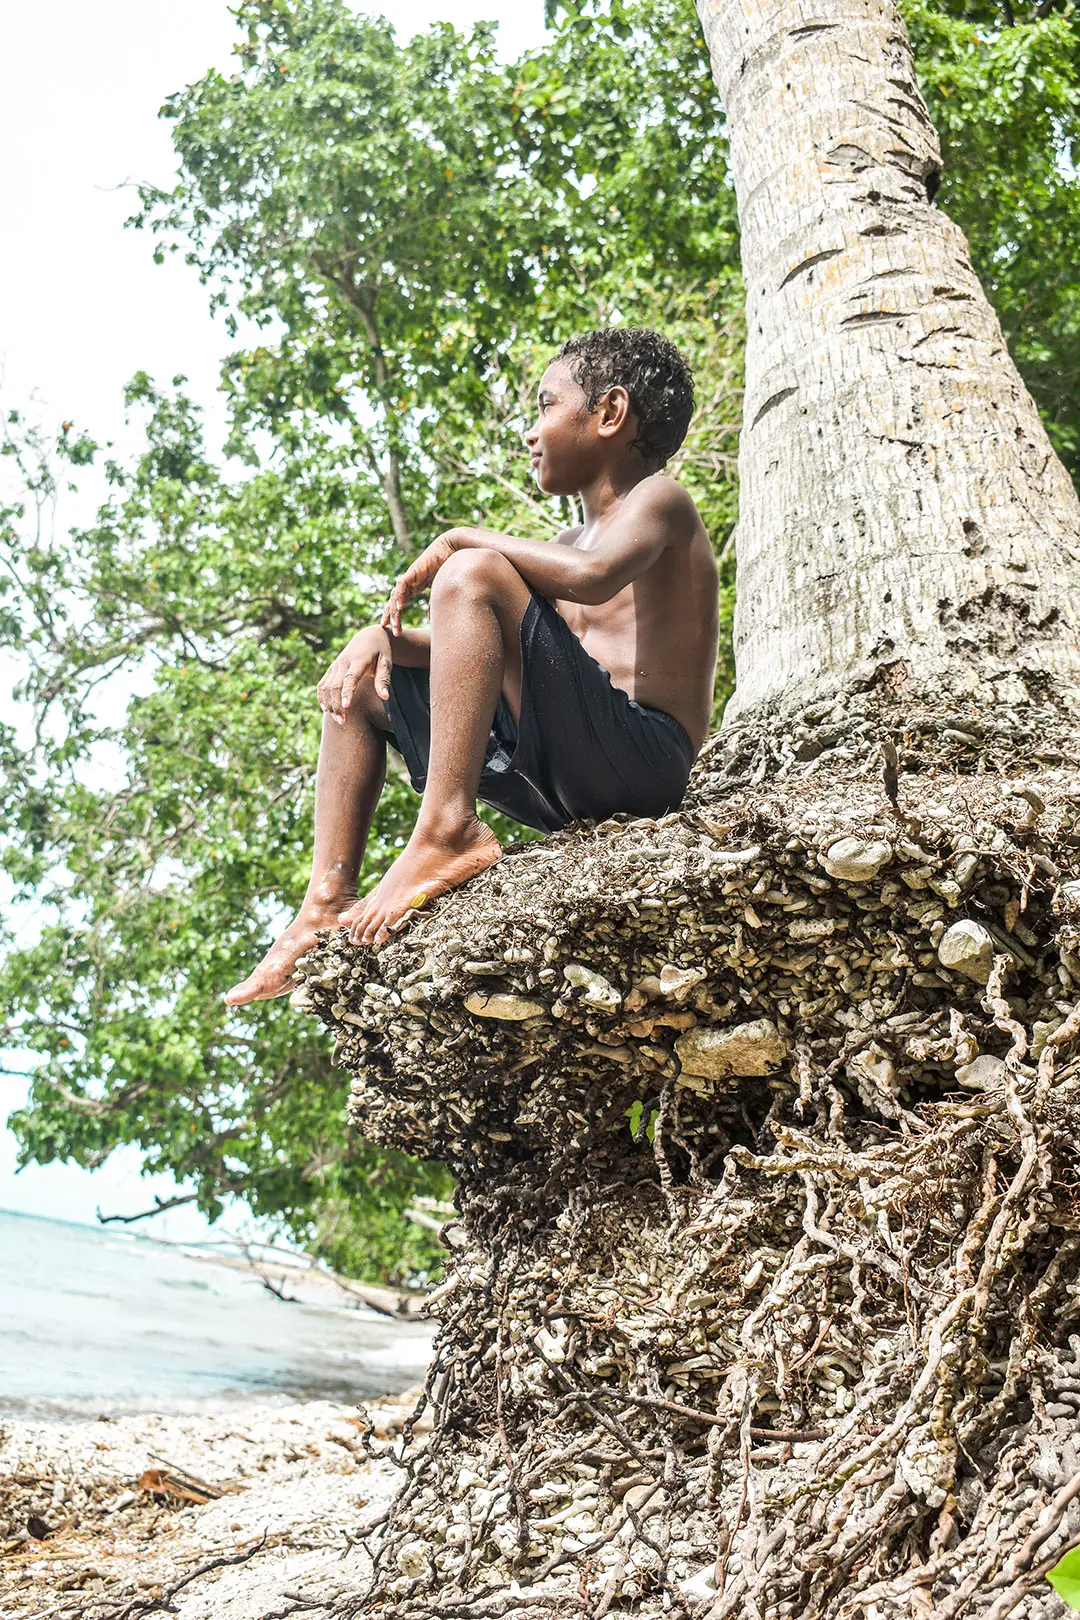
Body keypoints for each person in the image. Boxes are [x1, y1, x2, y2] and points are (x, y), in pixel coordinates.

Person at [224, 326, 718, 1005]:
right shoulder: (564, 543)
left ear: (609, 413)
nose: (530, 432)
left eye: (546, 405)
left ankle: (445, 829)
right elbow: (489, 650)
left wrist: (459, 540)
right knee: (364, 683)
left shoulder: (660, 502)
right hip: (565, 785)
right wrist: (384, 642)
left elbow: (594, 577)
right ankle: (323, 901)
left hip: (643, 764)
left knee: (472, 572)